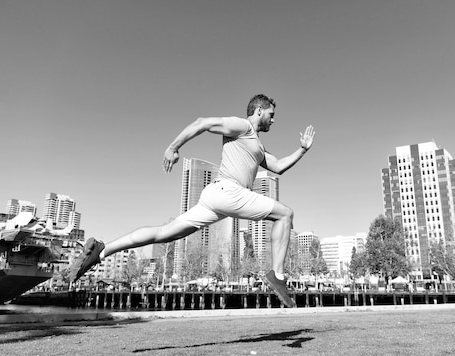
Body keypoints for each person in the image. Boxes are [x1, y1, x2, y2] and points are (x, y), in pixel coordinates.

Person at [73, 94, 315, 308]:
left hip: (216, 198)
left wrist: (302, 150)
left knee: (166, 233)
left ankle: (103, 251)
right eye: (271, 115)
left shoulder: (258, 147)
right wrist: (172, 147)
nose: (273, 120)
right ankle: (278, 277)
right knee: (285, 213)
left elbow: (279, 166)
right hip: (227, 191)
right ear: (259, 110)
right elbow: (202, 123)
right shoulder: (243, 127)